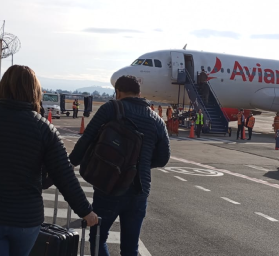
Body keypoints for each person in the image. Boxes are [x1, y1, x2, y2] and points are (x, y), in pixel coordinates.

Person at [0, 65, 97, 256]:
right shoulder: (43, 128)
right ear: (35, 91)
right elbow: (64, 175)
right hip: (26, 218)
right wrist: (86, 211)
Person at [69, 75, 170, 256]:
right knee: (131, 247)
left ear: (118, 92)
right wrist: (142, 164)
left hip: (109, 184)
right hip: (140, 189)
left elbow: (87, 139)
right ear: (139, 93)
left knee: (98, 237)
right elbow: (163, 158)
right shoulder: (156, 120)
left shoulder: (111, 108)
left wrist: (68, 165)